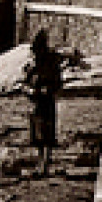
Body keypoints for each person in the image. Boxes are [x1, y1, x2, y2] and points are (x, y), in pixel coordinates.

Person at [23, 30, 63, 176]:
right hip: (35, 103)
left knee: (47, 134)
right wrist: (29, 90)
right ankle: (40, 163)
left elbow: (58, 83)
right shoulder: (32, 66)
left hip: (47, 102)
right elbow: (24, 83)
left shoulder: (51, 65)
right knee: (37, 135)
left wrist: (48, 90)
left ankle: (45, 164)